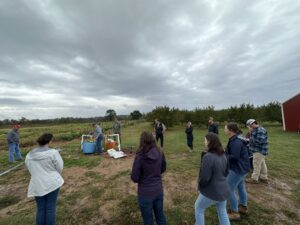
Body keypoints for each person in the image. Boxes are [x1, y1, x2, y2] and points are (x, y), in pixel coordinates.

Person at [25, 133, 64, 225]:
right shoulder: (53, 153)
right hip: (52, 183)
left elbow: (30, 169)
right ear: (50, 141)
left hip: (36, 184)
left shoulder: (29, 155)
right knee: (50, 207)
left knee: (41, 208)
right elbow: (60, 168)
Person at [131, 131, 167, 225]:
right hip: (158, 191)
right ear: (153, 139)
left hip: (145, 194)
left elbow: (135, 177)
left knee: (148, 220)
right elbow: (163, 169)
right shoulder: (159, 151)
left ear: (142, 140)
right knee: (160, 215)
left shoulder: (140, 156)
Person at [195, 133, 230, 225]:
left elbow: (205, 178)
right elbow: (226, 172)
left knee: (199, 208)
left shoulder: (208, 157)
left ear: (210, 142)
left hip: (213, 191)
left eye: (205, 140)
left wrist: (200, 186)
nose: (204, 142)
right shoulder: (223, 154)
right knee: (222, 211)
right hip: (223, 189)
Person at [224, 123, 250, 220]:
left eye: (225, 128)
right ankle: (243, 207)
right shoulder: (235, 139)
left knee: (229, 190)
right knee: (240, 187)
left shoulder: (236, 141)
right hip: (242, 168)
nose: (224, 130)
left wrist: (223, 155)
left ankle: (234, 213)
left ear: (231, 130)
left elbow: (234, 157)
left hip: (238, 169)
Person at [245, 119, 269, 184]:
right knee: (262, 163)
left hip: (259, 150)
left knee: (256, 164)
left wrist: (249, 139)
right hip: (259, 150)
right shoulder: (256, 130)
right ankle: (264, 177)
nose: (249, 127)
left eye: (250, 126)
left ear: (253, 124)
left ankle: (254, 179)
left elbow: (260, 141)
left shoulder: (260, 130)